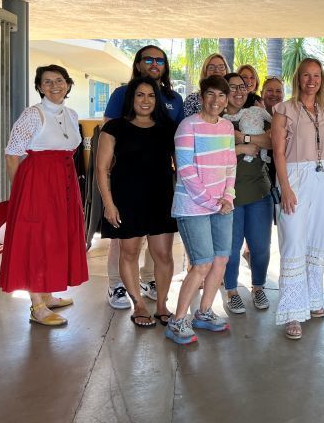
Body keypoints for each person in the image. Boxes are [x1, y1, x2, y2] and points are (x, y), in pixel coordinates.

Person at [1, 64, 88, 325]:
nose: (54, 86)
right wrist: (20, 193)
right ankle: (37, 305)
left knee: (55, 238)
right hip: (37, 184)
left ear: (68, 84)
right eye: (47, 82)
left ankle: (47, 294)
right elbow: (11, 155)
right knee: (37, 239)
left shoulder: (71, 114)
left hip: (65, 182)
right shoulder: (32, 114)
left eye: (59, 80)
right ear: (39, 87)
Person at [103, 44, 183, 310]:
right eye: (148, 60)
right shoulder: (119, 107)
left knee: (161, 252)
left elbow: (180, 157)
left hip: (160, 192)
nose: (154, 64)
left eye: (159, 60)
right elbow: (105, 161)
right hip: (127, 192)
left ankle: (155, 293)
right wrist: (109, 201)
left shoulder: (171, 112)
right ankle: (125, 292)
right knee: (126, 248)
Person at [272, 58, 324, 340]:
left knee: (316, 239)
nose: (311, 81)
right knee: (293, 240)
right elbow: (278, 153)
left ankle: (313, 299)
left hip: (322, 178)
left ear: (321, 80)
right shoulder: (284, 110)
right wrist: (286, 188)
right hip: (294, 177)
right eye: (306, 75)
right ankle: (292, 311)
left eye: (316, 76)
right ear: (297, 78)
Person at [166, 75, 237, 345]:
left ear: (226, 100)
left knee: (221, 259)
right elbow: (185, 170)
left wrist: (228, 196)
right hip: (193, 206)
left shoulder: (227, 127)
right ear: (201, 96)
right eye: (210, 94)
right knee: (202, 263)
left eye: (221, 95)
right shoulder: (188, 126)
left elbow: (230, 165)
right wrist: (211, 202)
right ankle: (177, 321)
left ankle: (204, 313)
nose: (216, 100)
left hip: (222, 204)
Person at [221, 73, 274, 314]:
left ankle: (258, 287)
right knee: (231, 249)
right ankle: (231, 291)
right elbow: (213, 155)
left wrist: (243, 137)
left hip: (259, 192)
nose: (238, 92)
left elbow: (271, 142)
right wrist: (242, 148)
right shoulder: (216, 119)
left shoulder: (256, 114)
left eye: (242, 87)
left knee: (261, 247)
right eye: (232, 87)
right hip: (228, 196)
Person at [184, 53, 230, 117]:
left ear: (226, 70)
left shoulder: (233, 97)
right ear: (205, 71)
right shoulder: (192, 100)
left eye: (221, 67)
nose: (216, 70)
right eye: (211, 67)